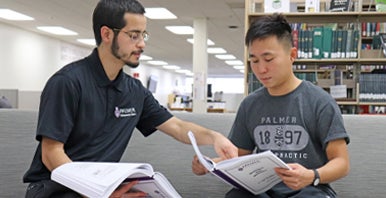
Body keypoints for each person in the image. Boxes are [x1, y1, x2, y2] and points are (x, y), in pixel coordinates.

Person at [22, 0, 238, 197]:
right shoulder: (67, 82)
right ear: (107, 34)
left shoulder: (134, 91)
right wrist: (97, 193)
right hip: (55, 189)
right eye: (134, 35)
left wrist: (215, 137)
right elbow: (51, 155)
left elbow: (179, 128)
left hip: (101, 187)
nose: (142, 44)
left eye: (143, 35)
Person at [192, 13, 350, 198]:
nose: (261, 69)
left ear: (292, 55)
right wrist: (211, 163)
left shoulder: (320, 101)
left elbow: (341, 162)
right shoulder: (250, 104)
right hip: (262, 190)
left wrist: (312, 175)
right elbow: (239, 157)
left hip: (309, 189)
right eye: (254, 60)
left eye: (268, 59)